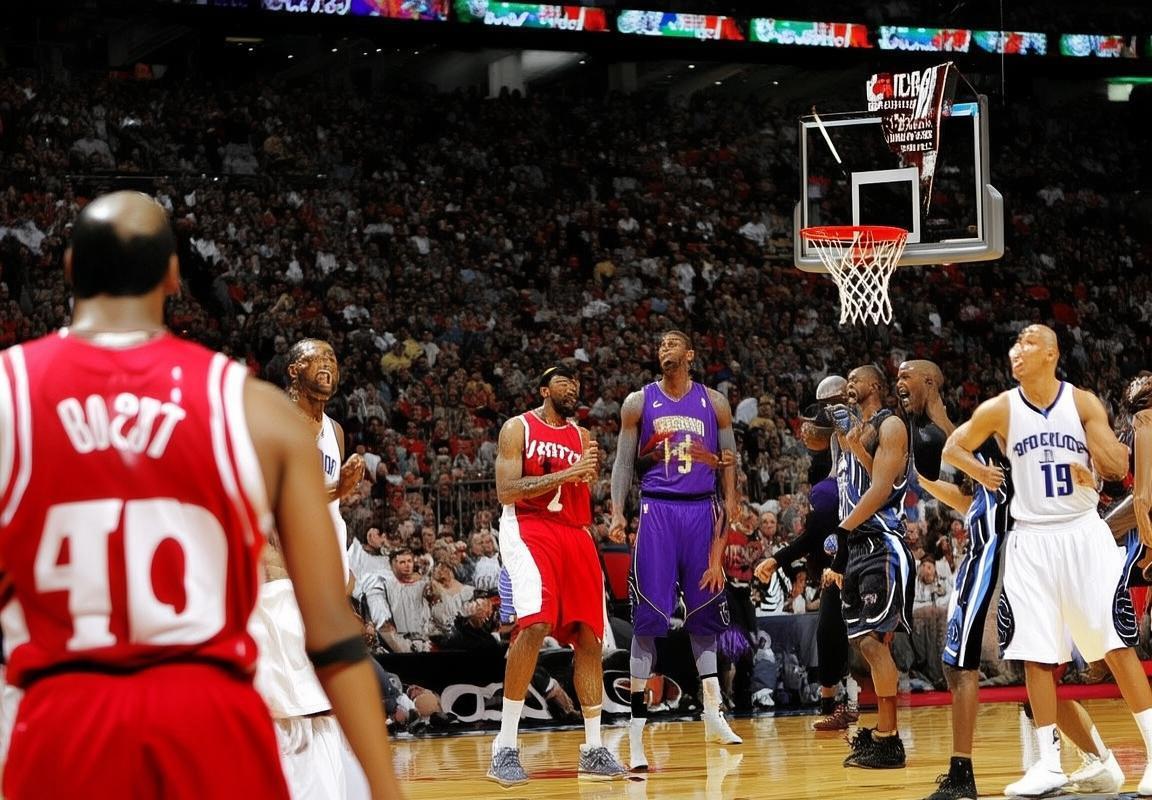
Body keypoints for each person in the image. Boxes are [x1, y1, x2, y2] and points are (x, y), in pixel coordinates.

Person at [0, 191, 402, 799]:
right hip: (208, 722)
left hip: (62, 723)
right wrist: (385, 787)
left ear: (70, 266)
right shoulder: (255, 410)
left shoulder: (9, 396)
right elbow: (332, 631)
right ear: (173, 276)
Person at [943, 325, 1152, 797]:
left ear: (1052, 354)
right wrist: (979, 471)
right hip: (1031, 540)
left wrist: (1093, 468)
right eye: (1016, 343)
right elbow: (954, 445)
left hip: (1082, 533)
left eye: (1029, 343)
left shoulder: (1082, 403)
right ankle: (1049, 765)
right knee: (1034, 656)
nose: (1018, 350)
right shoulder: (1000, 408)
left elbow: (1119, 466)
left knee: (1115, 646)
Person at [899, 359, 1119, 799]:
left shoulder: (999, 440)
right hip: (996, 558)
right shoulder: (980, 458)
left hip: (1003, 563)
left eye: (907, 377)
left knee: (973, 666)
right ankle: (1101, 760)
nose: (899, 383)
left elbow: (958, 441)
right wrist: (924, 480)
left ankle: (965, 776)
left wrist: (940, 418)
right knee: (1028, 677)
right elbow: (973, 502)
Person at [248, 335, 377, 799]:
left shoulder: (334, 432)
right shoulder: (273, 421)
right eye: (316, 358)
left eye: (333, 358)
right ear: (293, 370)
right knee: (294, 705)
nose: (327, 364)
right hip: (282, 574)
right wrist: (336, 490)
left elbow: (329, 513)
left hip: (321, 574)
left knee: (322, 705)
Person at [486, 364, 626, 786]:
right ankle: (504, 747)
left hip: (575, 533)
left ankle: (594, 748)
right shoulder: (518, 428)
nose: (573, 389)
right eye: (564, 382)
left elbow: (580, 488)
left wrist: (584, 474)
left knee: (590, 636)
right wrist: (569, 472)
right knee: (535, 624)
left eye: (577, 384)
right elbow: (506, 491)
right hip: (529, 528)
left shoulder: (582, 436)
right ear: (545, 389)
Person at [609, 330, 742, 772]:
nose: (664, 348)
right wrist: (617, 511)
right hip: (658, 511)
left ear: (690, 354)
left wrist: (731, 507)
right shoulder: (638, 402)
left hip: (703, 512)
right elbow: (623, 462)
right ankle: (636, 732)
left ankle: (712, 712)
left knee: (705, 618)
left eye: (672, 344)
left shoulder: (714, 403)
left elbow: (729, 463)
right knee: (648, 621)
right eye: (660, 344)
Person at [831, 364, 915, 769]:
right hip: (857, 546)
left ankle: (889, 738)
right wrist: (850, 446)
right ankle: (883, 731)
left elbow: (883, 488)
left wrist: (843, 530)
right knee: (861, 643)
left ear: (876, 385)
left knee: (873, 643)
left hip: (881, 543)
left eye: (856, 379)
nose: (850, 384)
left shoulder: (890, 425)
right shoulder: (853, 433)